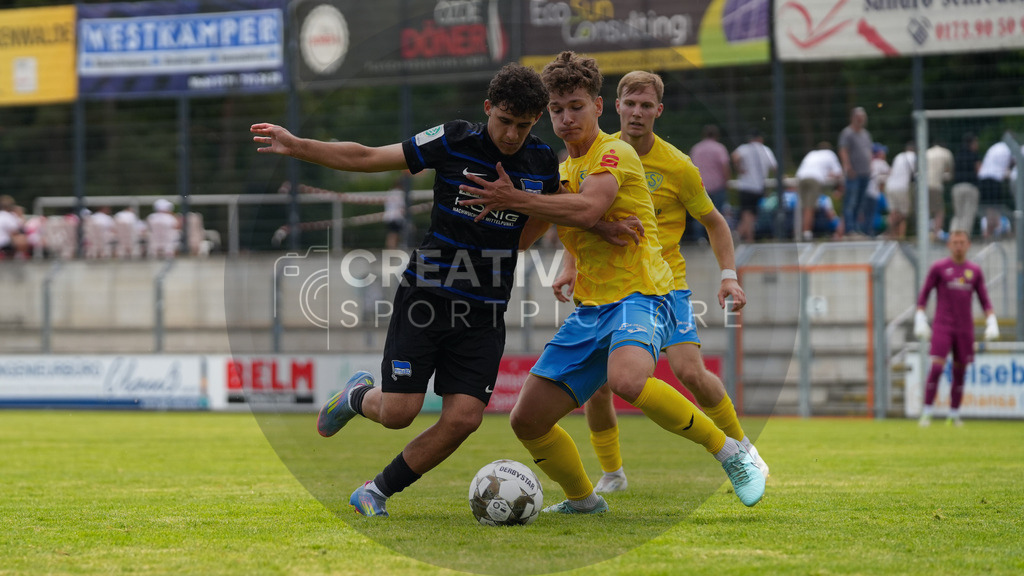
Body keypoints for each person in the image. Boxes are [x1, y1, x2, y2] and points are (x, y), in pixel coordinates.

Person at [459, 52, 765, 514]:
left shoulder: (615, 152)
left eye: (576, 107)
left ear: (599, 107)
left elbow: (586, 208)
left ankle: (732, 453)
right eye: (557, 110)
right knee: (527, 419)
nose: (566, 118)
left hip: (644, 292)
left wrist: (516, 198)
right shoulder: (560, 171)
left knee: (629, 379)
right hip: (592, 305)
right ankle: (585, 499)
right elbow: (537, 232)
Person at [252, 63, 561, 518]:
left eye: (524, 125)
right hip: (428, 296)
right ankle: (357, 396)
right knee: (398, 413)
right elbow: (367, 157)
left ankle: (374, 491)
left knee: (464, 419)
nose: (512, 134)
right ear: (487, 108)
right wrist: (298, 146)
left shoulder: (542, 162)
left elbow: (546, 216)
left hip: (485, 309)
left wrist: (509, 237)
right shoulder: (453, 139)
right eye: (505, 121)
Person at [552, 70, 767, 495]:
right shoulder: (596, 153)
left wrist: (729, 276)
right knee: (598, 388)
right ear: (615, 106)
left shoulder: (678, 166)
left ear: (659, 111)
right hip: (607, 285)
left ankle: (743, 449)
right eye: (630, 104)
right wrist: (569, 264)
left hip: (663, 285)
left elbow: (714, 221)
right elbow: (582, 214)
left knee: (689, 371)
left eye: (646, 105)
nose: (637, 112)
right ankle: (613, 474)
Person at [913, 230, 998, 427]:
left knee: (960, 371)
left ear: (968, 245)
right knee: (937, 367)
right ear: (949, 245)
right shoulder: (939, 268)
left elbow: (984, 298)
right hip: (943, 325)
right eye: (955, 242)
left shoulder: (974, 271)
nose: (958, 246)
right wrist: (920, 317)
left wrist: (992, 320)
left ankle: (954, 414)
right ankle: (927, 412)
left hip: (965, 327)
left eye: (962, 242)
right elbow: (924, 293)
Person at [732, 128, 777, 243]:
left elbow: (735, 156)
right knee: (750, 215)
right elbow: (774, 166)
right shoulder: (765, 149)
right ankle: (745, 238)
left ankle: (741, 236)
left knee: (747, 214)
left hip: (746, 186)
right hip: (758, 187)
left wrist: (739, 169)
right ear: (760, 138)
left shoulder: (744, 148)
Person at [688, 124, 733, 238]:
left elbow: (690, 167)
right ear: (716, 135)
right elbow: (725, 166)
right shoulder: (719, 148)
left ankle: (699, 238)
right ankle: (717, 237)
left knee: (700, 214)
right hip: (717, 186)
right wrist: (727, 181)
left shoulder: (696, 148)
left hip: (700, 186)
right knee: (718, 214)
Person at [795, 142, 843, 241]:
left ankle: (798, 232)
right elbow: (838, 172)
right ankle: (807, 233)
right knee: (810, 206)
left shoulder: (812, 153)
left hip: (800, 177)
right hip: (814, 178)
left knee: (802, 206)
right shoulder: (830, 154)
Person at [838, 107, 873, 236]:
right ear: (853, 118)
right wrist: (848, 167)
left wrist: (870, 166)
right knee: (850, 202)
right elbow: (843, 150)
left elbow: (869, 151)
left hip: (865, 173)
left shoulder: (866, 134)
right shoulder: (847, 133)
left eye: (863, 117)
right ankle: (849, 229)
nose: (861, 120)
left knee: (860, 203)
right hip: (853, 174)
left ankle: (856, 228)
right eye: (859, 117)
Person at [976, 140, 1012, 240]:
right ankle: (993, 231)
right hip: (994, 179)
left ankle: (989, 232)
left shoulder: (995, 147)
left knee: (989, 208)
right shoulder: (1009, 149)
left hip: (983, 178)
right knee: (995, 207)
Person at [951, 133, 980, 235]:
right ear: (972, 143)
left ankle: (954, 236)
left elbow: (953, 171)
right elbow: (978, 170)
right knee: (968, 214)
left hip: (957, 186)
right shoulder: (974, 155)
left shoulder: (958, 154)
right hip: (970, 186)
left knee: (958, 214)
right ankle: (964, 237)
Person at [886, 142, 916, 240]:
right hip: (902, 187)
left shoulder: (899, 156)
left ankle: (892, 235)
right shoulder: (913, 157)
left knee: (893, 212)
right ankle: (901, 237)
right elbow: (915, 173)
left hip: (890, 186)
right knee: (903, 214)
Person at [925, 141, 954, 240]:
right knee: (939, 211)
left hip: (922, 185)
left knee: (925, 210)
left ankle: (925, 233)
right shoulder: (946, 153)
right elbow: (949, 173)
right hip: (936, 185)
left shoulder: (927, 152)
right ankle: (936, 234)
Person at [864, 143, 890, 237]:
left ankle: (866, 232)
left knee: (866, 214)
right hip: (874, 193)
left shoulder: (868, 163)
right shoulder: (880, 163)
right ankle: (872, 233)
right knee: (873, 214)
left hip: (864, 192)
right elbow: (890, 173)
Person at [383, 174, 407, 249]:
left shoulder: (390, 192)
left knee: (393, 234)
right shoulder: (400, 194)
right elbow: (402, 207)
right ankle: (391, 249)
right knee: (394, 234)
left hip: (389, 216)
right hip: (396, 217)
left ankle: (392, 249)